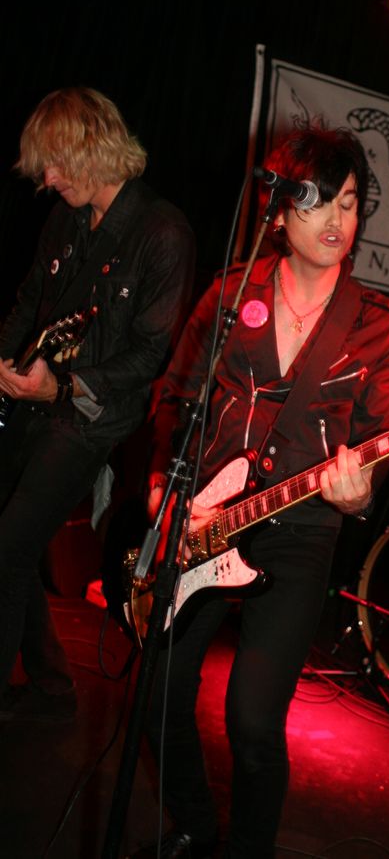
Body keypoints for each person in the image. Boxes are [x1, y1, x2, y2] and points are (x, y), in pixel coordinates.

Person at [134, 125, 389, 858]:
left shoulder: (384, 331)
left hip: (299, 534)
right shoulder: (231, 294)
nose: (337, 219)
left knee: (253, 723)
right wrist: (163, 487)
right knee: (155, 692)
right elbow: (177, 394)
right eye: (318, 200)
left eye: (349, 202)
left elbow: (377, 450)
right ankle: (193, 823)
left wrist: (356, 498)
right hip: (203, 520)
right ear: (280, 210)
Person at [0, 87, 196, 721]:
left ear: (95, 148)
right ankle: (53, 684)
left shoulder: (162, 231)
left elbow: (149, 357)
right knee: (13, 542)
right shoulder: (66, 218)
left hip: (91, 419)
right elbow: (31, 301)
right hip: (34, 398)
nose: (49, 180)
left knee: (8, 547)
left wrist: (61, 387)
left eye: (57, 164)